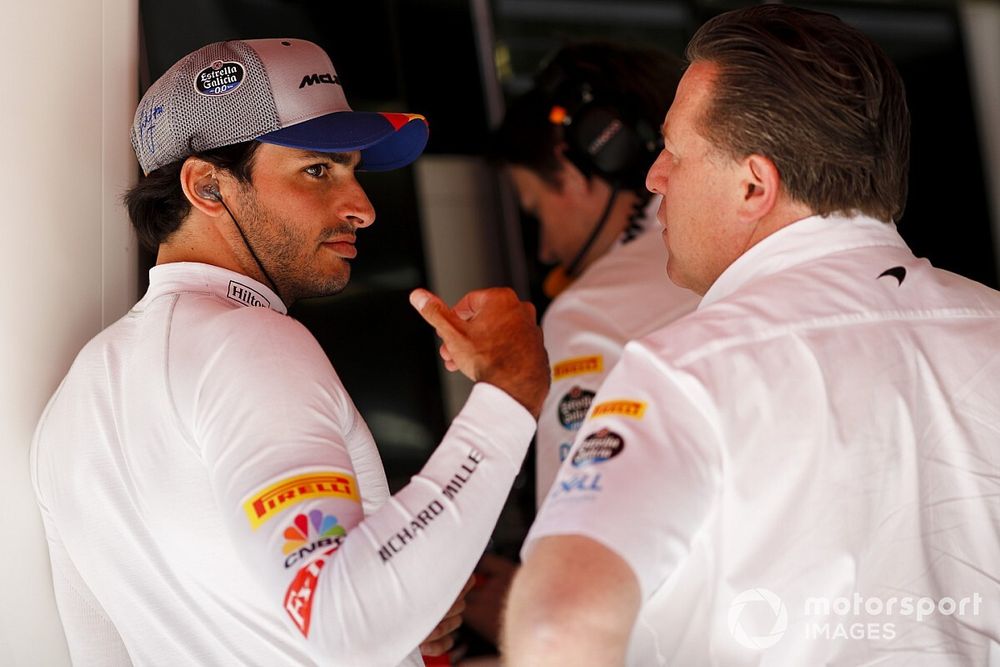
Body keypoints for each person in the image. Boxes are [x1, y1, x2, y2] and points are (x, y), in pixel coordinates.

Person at [503, 6, 1000, 665]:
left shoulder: (684, 369)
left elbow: (557, 624)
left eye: (675, 154)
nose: (654, 180)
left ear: (754, 184)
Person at [30, 38, 549, 667]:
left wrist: (404, 607)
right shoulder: (248, 341)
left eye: (353, 170)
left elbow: (101, 650)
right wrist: (509, 392)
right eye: (318, 169)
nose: (362, 208)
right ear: (206, 186)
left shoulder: (77, 395)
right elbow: (341, 619)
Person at [461, 42, 701, 646]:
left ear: (574, 171)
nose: (544, 250)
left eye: (534, 210)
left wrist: (501, 608)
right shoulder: (754, 258)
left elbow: (575, 565)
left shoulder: (590, 311)